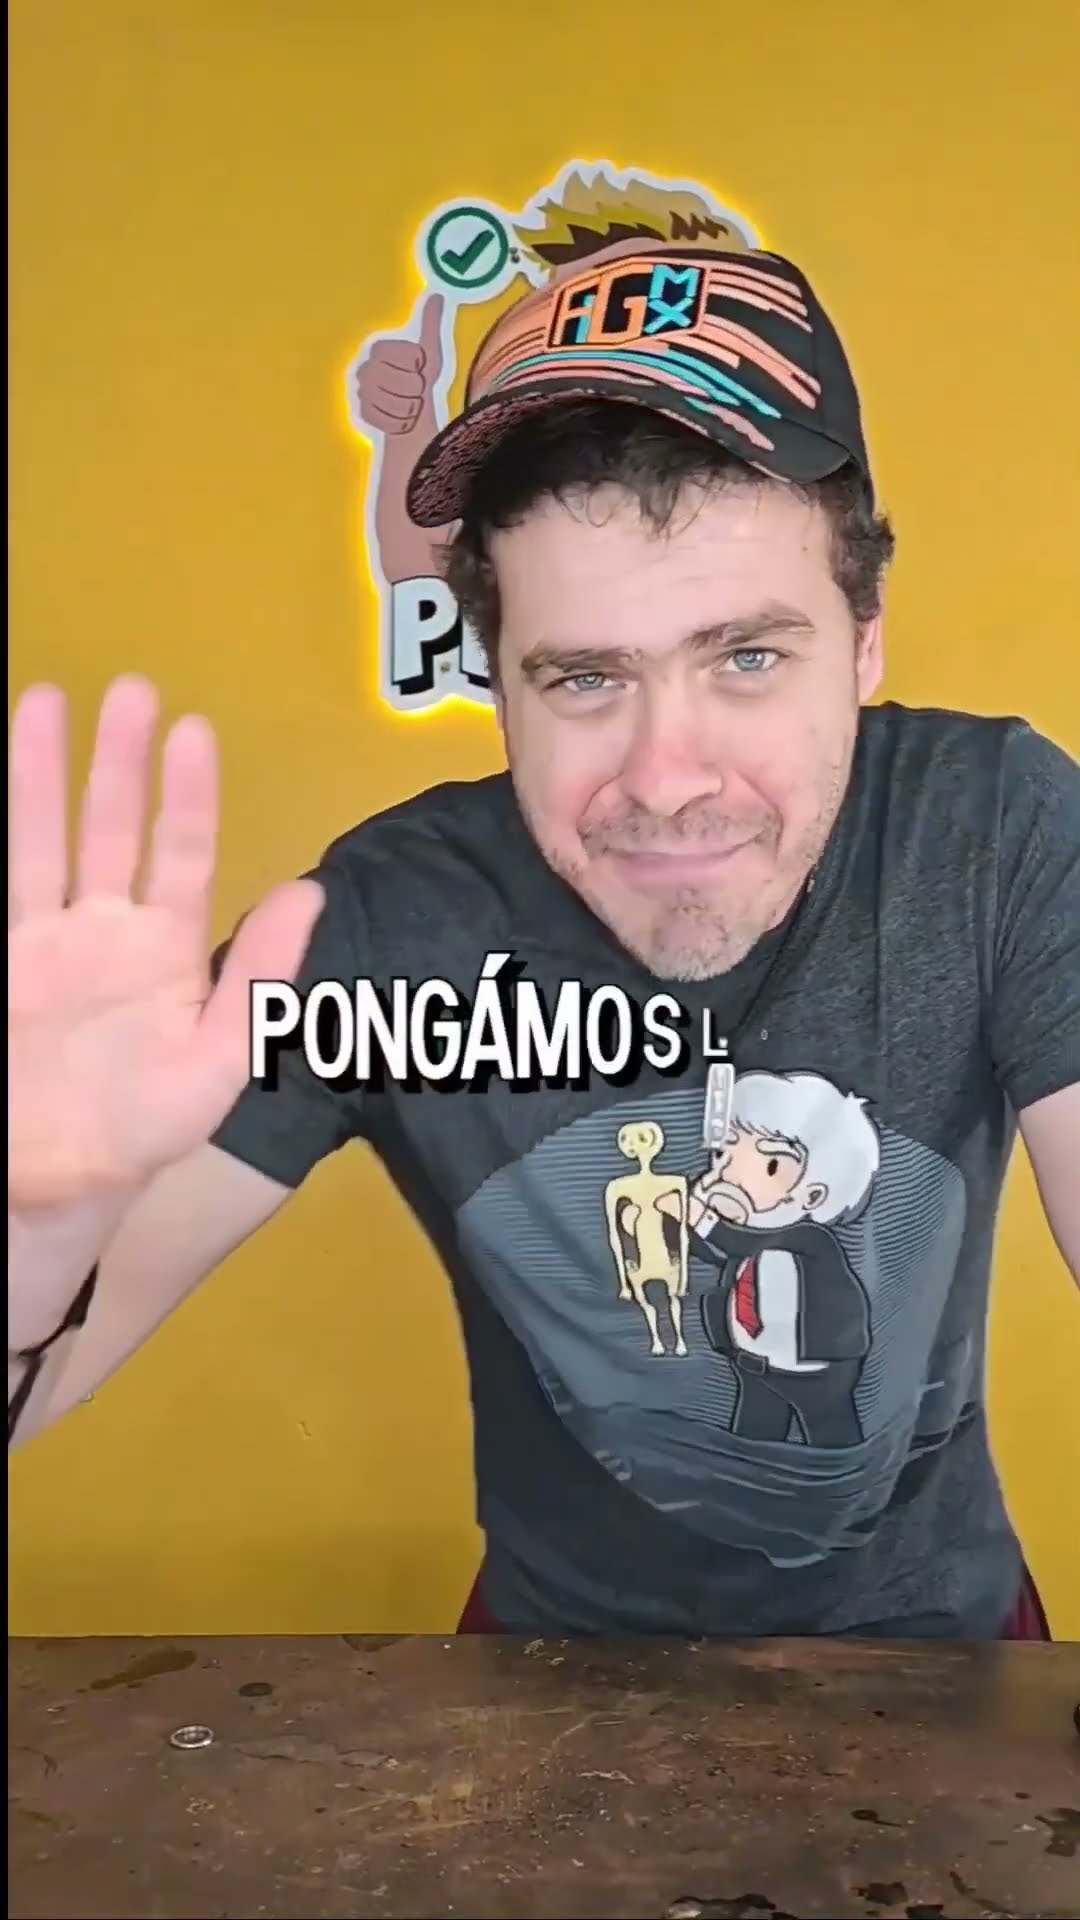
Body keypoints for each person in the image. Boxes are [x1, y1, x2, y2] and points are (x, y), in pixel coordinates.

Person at [9, 237, 1079, 1644]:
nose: (667, 779)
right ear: (499, 678)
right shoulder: (390, 928)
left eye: (748, 658)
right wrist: (28, 1237)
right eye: (582, 678)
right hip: (547, 1685)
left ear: (865, 637)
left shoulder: (992, 831)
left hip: (953, 1660)